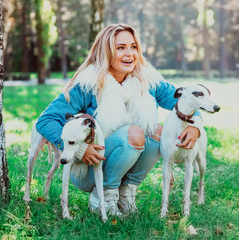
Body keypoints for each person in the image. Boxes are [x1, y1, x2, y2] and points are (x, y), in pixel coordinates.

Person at [36, 23, 202, 217]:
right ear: (105, 51)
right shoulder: (88, 84)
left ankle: (125, 193)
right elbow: (45, 120)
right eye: (120, 48)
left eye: (133, 47)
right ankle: (103, 194)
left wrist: (196, 124)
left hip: (125, 160)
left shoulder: (148, 80)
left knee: (158, 131)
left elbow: (185, 99)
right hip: (90, 167)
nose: (129, 54)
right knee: (135, 133)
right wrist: (80, 149)